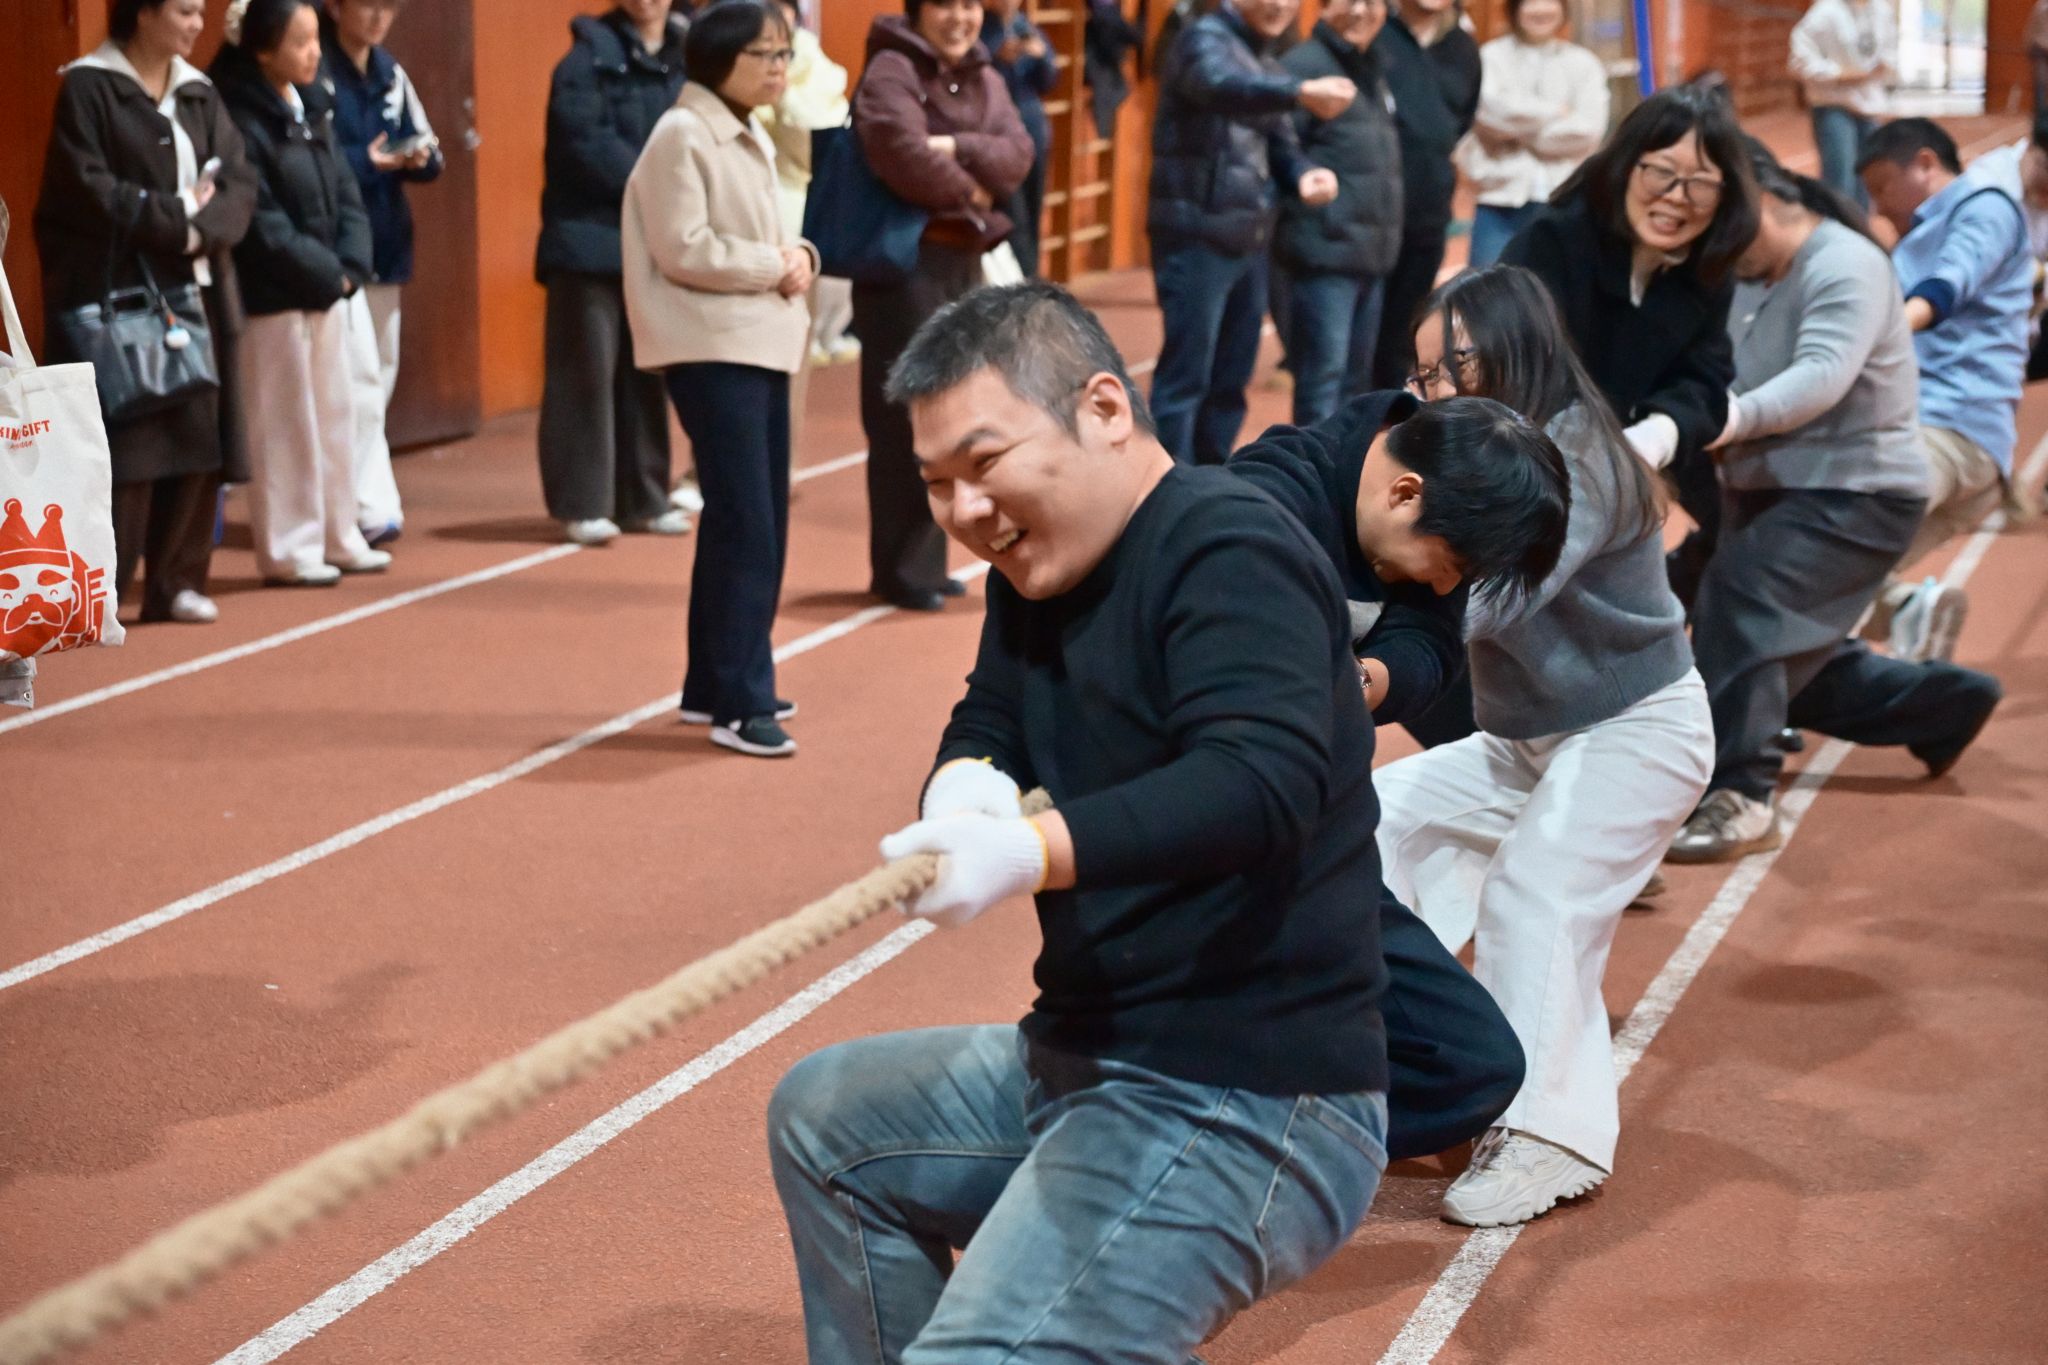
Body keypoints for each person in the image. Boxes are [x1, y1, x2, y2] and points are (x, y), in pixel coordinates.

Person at [769, 281, 1403, 1361]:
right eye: (936, 483)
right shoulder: (1034, 568)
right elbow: (992, 715)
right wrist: (966, 784)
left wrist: (1027, 850)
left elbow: (1259, 782)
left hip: (1248, 1097)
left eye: (984, 461)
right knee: (826, 1117)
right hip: (1087, 1057)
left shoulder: (1228, 545)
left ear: (1104, 408)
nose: (965, 508)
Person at [1368, 266, 1712, 1224]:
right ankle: (1414, 1063)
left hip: (1639, 730)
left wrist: (1348, 637)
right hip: (1526, 742)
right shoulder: (1464, 442)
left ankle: (1547, 1133)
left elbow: (1490, 598)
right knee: (1363, 828)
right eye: (1423, 373)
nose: (1431, 391)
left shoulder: (1580, 458)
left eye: (1452, 368)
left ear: (1515, 350)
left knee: (1537, 891)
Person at [1667, 145, 2004, 861]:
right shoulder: (1741, 271)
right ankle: (1942, 704)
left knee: (1742, 599)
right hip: (1764, 483)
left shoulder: (1845, 263)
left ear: (1757, 201)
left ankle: (1741, 794)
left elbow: (1820, 376)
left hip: (1860, 491)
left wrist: (1718, 420)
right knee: (1766, 652)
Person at [622, 1, 815, 759]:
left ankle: (711, 682)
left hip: (758, 342)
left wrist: (799, 255)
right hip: (713, 347)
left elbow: (764, 234)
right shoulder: (683, 133)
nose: (779, 67)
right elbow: (684, 247)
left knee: (751, 518)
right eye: (765, 53)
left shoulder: (746, 128)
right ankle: (741, 702)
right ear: (719, 59)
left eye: (784, 53)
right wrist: (774, 265)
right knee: (748, 525)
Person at [1497, 81, 1758, 615]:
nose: (1677, 197)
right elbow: (1517, 378)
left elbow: (1707, 375)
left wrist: (1654, 439)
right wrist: (1612, 462)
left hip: (1628, 459)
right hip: (1528, 464)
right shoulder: (1554, 242)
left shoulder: (1706, 264)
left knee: (1746, 532)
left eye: (1701, 184)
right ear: (1625, 165)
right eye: (1661, 172)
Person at [35, 0, 255, 624]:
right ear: (142, 13)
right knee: (128, 448)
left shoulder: (199, 91)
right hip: (120, 300)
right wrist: (176, 219)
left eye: (201, 11)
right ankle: (103, 586)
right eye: (184, 11)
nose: (197, 24)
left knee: (198, 436)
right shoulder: (89, 87)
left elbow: (237, 183)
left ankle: (176, 582)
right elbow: (90, 188)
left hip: (199, 288)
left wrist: (198, 230)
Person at [850, 0, 1034, 612]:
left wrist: (955, 144)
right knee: (905, 420)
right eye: (944, 4)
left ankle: (926, 564)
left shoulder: (983, 72)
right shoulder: (892, 68)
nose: (960, 17)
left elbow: (1018, 152)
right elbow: (899, 150)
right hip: (903, 266)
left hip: (960, 259)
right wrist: (972, 192)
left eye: (969, 4)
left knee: (950, 415)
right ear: (917, 11)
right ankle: (900, 570)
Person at [212, 0, 390, 586]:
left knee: (337, 414)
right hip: (274, 297)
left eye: (316, 39)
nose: (316, 53)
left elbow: (345, 192)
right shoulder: (238, 114)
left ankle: (341, 534)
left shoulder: (311, 105)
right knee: (285, 425)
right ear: (264, 49)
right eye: (301, 42)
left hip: (328, 290)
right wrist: (326, 272)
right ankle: (291, 548)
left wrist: (351, 264)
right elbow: (261, 221)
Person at [1146, 0, 1353, 465]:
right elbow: (1223, 86)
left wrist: (1304, 174)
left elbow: (1282, 146)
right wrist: (1300, 91)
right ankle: (1166, 487)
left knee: (1230, 379)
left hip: (1251, 239)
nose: (1280, 4)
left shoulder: (1265, 60)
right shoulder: (1203, 40)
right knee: (1186, 377)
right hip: (1196, 234)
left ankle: (1211, 478)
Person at [1857, 118, 2034, 662]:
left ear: (1926, 164)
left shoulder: (1985, 206)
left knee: (1822, 534)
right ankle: (1910, 613)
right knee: (1820, 584)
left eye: (1882, 187)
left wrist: (1872, 336)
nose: (1878, 207)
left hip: (1949, 431)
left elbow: (1949, 285)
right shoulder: (1917, 237)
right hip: (1942, 435)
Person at [535, 0, 691, 547]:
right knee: (585, 374)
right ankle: (583, 503)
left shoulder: (685, 56)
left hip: (652, 243)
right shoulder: (585, 60)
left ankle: (644, 499)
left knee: (647, 371)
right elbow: (583, 145)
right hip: (588, 243)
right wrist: (657, 183)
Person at [319, 0, 441, 549]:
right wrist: (368, 161)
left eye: (388, 6)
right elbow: (312, 158)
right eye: (368, 4)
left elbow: (429, 145)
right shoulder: (317, 68)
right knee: (356, 380)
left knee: (380, 374)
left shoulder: (391, 72)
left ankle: (357, 499)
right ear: (335, 7)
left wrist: (417, 156)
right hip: (337, 250)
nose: (378, 17)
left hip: (387, 243)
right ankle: (363, 505)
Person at [1276, 0, 1400, 426]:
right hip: (1324, 253)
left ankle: (1343, 468)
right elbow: (1282, 152)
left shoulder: (1373, 65)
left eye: (1373, 2)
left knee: (1354, 383)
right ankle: (1309, 470)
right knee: (1322, 383)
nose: (1361, 11)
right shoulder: (1304, 67)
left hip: (1370, 253)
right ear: (1325, 7)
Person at [1367, 0, 1478, 391]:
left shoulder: (1463, 47)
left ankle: (1392, 417)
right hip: (1370, 211)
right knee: (1356, 344)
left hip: (1429, 208)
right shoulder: (1374, 33)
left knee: (1404, 334)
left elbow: (1459, 121)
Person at [756, 0, 849, 462]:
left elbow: (821, 127)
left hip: (795, 229)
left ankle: (781, 464)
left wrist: (781, 91)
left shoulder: (818, 67)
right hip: (738, 228)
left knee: (791, 358)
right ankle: (709, 470)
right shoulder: (730, 57)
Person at [1456, 0, 1608, 268]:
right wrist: (1557, 111)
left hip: (1564, 199)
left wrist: (1518, 131)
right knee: (1490, 287)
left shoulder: (1584, 63)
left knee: (1559, 287)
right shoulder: (1491, 57)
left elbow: (1587, 131)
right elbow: (1490, 114)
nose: (1540, 9)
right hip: (1498, 200)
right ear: (1514, 8)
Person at [1788, 0, 1893, 210]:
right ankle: (1837, 225)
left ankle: (1859, 227)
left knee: (1868, 179)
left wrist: (1881, 68)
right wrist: (1838, 75)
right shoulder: (1825, 12)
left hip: (1869, 106)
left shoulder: (1881, 10)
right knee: (1840, 179)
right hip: (1833, 105)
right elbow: (1799, 60)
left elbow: (1890, 52)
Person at [981, 0, 1058, 277]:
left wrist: (1040, 56)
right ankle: (1019, 282)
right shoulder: (979, 26)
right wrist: (997, 56)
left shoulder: (1026, 27)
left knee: (1033, 210)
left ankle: (1031, 278)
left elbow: (1049, 80)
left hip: (1032, 129)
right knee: (1013, 217)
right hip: (998, 135)